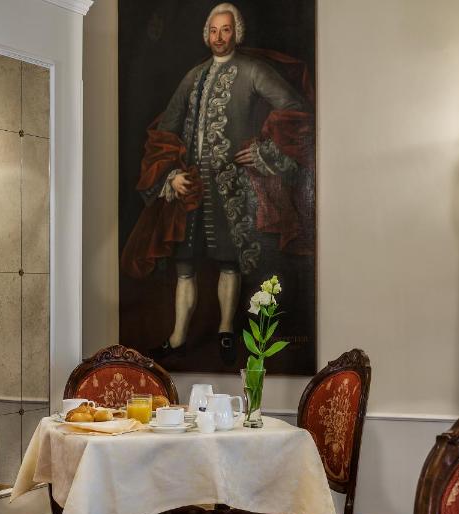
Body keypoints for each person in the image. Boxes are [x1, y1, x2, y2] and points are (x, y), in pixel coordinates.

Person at [121, 2, 314, 365]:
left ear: (236, 33)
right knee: (184, 265)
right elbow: (166, 129)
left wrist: (264, 151)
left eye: (226, 30)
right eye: (213, 30)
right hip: (192, 188)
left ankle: (225, 331)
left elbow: (294, 109)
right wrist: (171, 175)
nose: (219, 37)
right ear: (206, 35)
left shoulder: (253, 70)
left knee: (229, 262)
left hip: (232, 187)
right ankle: (177, 338)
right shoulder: (193, 76)